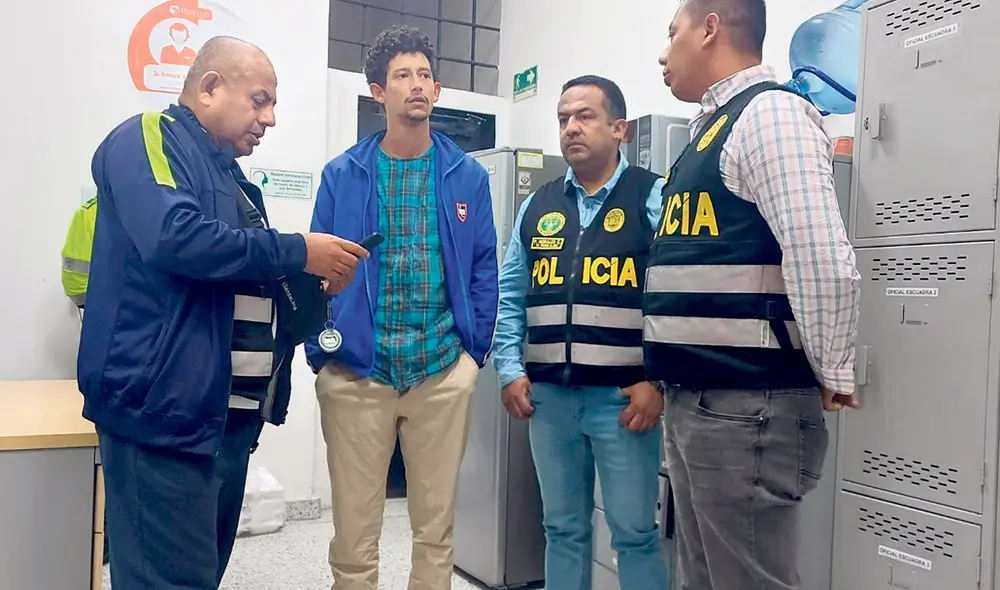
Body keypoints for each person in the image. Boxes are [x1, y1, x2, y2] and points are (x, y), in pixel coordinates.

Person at [79, 35, 368, 590]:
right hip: (162, 417)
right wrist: (297, 249)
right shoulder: (146, 137)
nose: (272, 118)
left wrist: (309, 280)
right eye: (260, 100)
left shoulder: (232, 179)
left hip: (223, 422)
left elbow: (237, 277)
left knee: (198, 577)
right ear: (210, 86)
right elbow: (174, 236)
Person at [645, 1, 862, 588]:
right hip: (700, 400)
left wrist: (833, 368)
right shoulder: (708, 133)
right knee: (702, 577)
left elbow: (823, 259)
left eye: (673, 33)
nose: (663, 52)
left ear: (711, 27)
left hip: (746, 407)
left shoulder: (770, 116)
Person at [305, 25, 499, 590]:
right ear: (377, 92)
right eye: (401, 76)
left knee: (435, 532)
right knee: (354, 535)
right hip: (358, 373)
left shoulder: (468, 176)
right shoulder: (344, 174)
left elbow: (485, 266)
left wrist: (473, 356)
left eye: (424, 76)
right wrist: (325, 352)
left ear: (436, 90)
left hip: (441, 370)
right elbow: (316, 266)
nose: (416, 85)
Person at [494, 75, 670, 590]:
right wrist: (509, 368)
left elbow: (673, 293)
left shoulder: (652, 197)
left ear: (620, 128)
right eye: (564, 118)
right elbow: (511, 294)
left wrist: (656, 380)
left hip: (624, 401)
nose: (571, 127)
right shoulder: (538, 204)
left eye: (585, 116)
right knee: (562, 529)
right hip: (549, 398)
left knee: (634, 532)